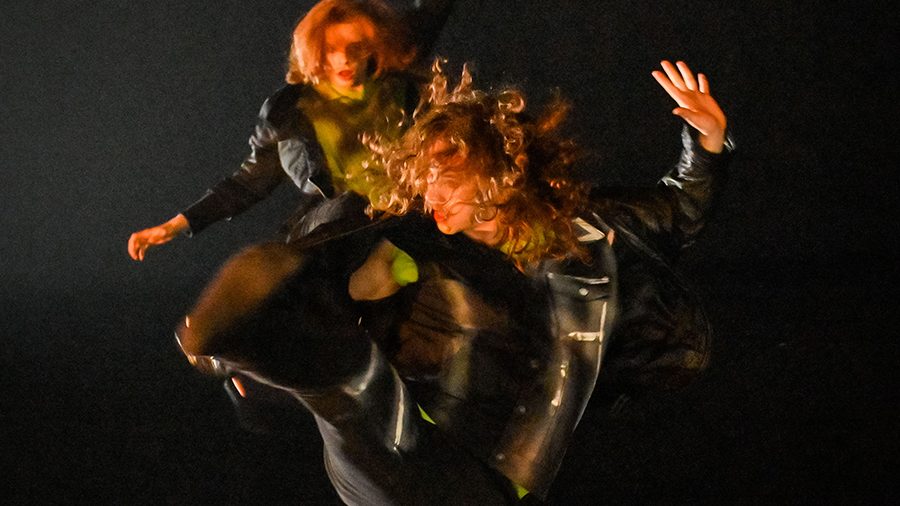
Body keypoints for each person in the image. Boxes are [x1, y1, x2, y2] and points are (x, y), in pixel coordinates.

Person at [174, 60, 733, 504]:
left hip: (500, 475)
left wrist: (707, 137)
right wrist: (228, 354)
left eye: (446, 183)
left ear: (497, 176)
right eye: (426, 182)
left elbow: (680, 206)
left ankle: (318, 368)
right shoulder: (412, 238)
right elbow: (328, 262)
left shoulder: (584, 232)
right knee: (365, 407)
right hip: (416, 436)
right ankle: (311, 365)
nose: (431, 196)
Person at [127, 0, 454, 261]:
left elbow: (431, 12)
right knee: (349, 207)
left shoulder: (394, 80)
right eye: (332, 49)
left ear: (371, 46)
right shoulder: (289, 111)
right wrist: (174, 226)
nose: (345, 60)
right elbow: (248, 182)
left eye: (355, 48)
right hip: (333, 222)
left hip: (406, 214)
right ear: (315, 50)